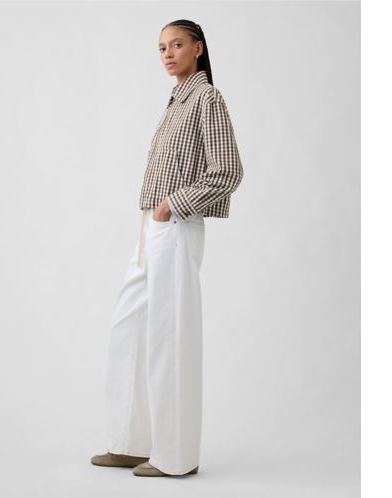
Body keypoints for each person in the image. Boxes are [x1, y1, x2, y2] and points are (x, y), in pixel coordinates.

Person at [91, 19, 244, 478]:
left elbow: (228, 170)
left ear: (198, 48)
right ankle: (130, 442)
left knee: (169, 335)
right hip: (151, 228)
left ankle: (175, 458)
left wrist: (170, 205)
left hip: (175, 224)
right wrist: (153, 214)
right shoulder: (177, 100)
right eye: (161, 48)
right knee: (129, 327)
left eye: (177, 44)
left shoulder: (206, 98)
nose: (168, 54)